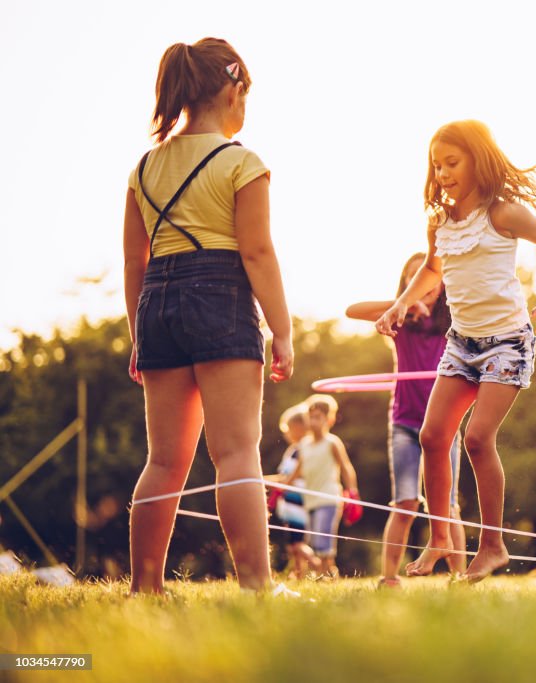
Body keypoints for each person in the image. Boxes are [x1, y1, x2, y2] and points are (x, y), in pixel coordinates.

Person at [124, 38, 293, 594]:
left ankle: (144, 588)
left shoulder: (145, 167)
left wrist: (136, 338)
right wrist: (282, 329)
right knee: (237, 452)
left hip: (156, 305)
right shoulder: (240, 161)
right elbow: (257, 252)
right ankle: (256, 587)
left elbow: (135, 261)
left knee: (165, 460)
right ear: (233, 89)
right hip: (219, 296)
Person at [375, 120, 536, 582]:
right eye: (436, 165)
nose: (442, 174)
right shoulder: (439, 221)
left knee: (478, 438)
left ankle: (493, 546)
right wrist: (401, 306)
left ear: (477, 160)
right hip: (461, 344)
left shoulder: (503, 213)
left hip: (507, 341)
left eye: (452, 163)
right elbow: (431, 269)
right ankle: (441, 537)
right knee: (431, 437)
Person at [347, 253, 467, 587]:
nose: (422, 285)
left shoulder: (454, 321)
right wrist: (403, 304)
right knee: (406, 502)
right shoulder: (398, 322)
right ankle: (389, 578)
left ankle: (460, 577)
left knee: (449, 505)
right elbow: (351, 311)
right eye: (413, 279)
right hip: (404, 422)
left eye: (425, 278)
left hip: (445, 423)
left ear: (440, 283)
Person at [285, 396, 357, 577]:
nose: (314, 421)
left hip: (329, 498)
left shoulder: (332, 442)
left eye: (319, 417)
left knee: (323, 538)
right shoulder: (304, 445)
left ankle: (326, 575)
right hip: (311, 502)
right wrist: (277, 485)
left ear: (329, 419)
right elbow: (296, 473)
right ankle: (329, 573)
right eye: (312, 417)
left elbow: (346, 468)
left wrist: (353, 493)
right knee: (315, 540)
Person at [266, 404, 315, 579]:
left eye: (288, 429)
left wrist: (267, 481)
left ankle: (320, 566)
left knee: (297, 543)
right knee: (293, 543)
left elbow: (292, 476)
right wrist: (264, 479)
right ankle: (299, 572)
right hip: (289, 503)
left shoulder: (302, 450)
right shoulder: (292, 450)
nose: (285, 434)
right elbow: (283, 476)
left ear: (299, 428)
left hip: (298, 502)